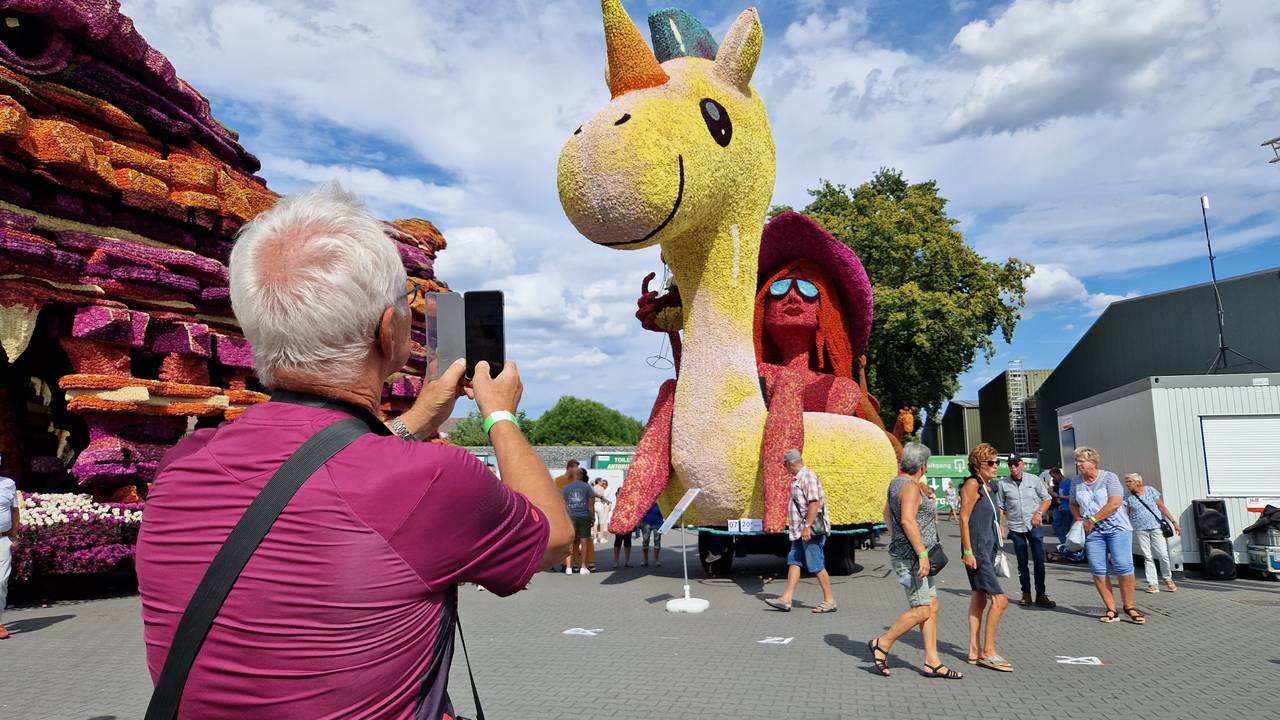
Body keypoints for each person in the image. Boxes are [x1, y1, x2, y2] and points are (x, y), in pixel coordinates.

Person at [135, 185, 573, 719]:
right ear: (389, 332)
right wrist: (499, 414)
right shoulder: (433, 478)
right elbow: (553, 537)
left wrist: (416, 420)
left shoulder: (184, 463)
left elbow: (328, 474)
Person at [869, 443, 962, 679]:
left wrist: (896, 536)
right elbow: (909, 521)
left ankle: (932, 661)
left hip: (916, 555)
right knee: (921, 610)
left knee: (932, 606)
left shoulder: (897, 483)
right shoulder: (909, 488)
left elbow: (887, 513)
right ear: (923, 466)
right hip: (913, 558)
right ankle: (882, 643)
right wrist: (920, 552)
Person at [1069, 447, 1143, 625]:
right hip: (1093, 533)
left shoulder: (1109, 478)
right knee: (1098, 569)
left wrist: (1093, 519)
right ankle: (1111, 609)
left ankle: (1129, 606)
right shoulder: (1076, 482)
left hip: (1117, 529)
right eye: (1077, 461)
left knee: (1123, 566)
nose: (1078, 465)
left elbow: (1115, 502)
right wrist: (1079, 518)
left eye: (1081, 461)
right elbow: (1072, 503)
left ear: (1093, 462)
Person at [764, 449, 837, 613]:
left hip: (808, 531)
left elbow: (814, 503)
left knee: (816, 564)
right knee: (794, 561)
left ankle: (829, 600)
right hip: (799, 530)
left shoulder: (808, 476)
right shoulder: (798, 478)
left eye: (785, 465)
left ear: (790, 463)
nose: (785, 469)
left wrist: (807, 527)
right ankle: (786, 598)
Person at [959, 443, 1011, 672]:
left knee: (979, 597)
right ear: (977, 465)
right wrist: (968, 551)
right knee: (1000, 601)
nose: (995, 466)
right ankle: (988, 651)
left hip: (988, 549)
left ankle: (973, 649)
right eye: (990, 462)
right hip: (978, 551)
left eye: (996, 462)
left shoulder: (991, 487)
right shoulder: (972, 484)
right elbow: (963, 518)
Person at [995, 454, 1056, 608]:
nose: (1013, 467)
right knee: (1022, 562)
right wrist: (1001, 525)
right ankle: (1026, 593)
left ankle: (1041, 594)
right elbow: (1000, 506)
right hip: (1015, 527)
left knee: (1038, 560)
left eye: (1016, 464)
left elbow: (1047, 498)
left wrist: (1039, 513)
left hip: (1034, 525)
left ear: (1022, 464)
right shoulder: (1003, 484)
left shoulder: (1033, 480)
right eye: (1010, 465)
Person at [1123, 473, 1180, 593]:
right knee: (1147, 556)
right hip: (1140, 529)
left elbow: (1162, 507)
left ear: (1138, 482)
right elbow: (1126, 514)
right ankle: (1152, 583)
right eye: (1126, 482)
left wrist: (1174, 522)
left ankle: (1167, 578)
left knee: (1162, 554)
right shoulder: (1127, 497)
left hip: (1156, 527)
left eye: (1129, 482)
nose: (1127, 484)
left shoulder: (1150, 490)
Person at [562, 469, 597, 575]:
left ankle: (568, 567)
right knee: (584, 542)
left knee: (570, 542)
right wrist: (592, 517)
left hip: (570, 517)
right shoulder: (587, 487)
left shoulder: (566, 488)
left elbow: (563, 504)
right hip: (583, 516)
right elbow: (591, 504)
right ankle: (583, 566)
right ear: (581, 476)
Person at [0, 454, 17, 640]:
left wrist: (14, 535)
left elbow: (15, 511)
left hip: (3, 539)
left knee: (1, 582)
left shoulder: (8, 484)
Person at [1048, 467, 1072, 552]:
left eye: (1054, 476)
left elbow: (1071, 497)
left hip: (1068, 509)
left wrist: (1059, 496)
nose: (1053, 479)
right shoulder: (1061, 483)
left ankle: (1068, 546)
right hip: (1062, 508)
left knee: (1065, 528)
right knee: (1056, 526)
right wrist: (1058, 499)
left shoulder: (1068, 482)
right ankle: (1065, 544)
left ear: (1058, 474)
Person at [640, 502, 664, 567]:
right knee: (645, 540)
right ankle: (645, 560)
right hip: (646, 523)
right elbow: (640, 511)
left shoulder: (660, 501)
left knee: (657, 541)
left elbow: (664, 512)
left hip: (658, 523)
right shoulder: (646, 500)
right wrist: (641, 522)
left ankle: (656, 560)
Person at [592, 479, 611, 543]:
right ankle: (601, 538)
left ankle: (594, 538)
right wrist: (607, 501)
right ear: (598, 481)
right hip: (600, 504)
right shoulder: (601, 488)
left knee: (595, 522)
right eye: (601, 481)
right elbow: (602, 497)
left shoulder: (593, 488)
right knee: (602, 522)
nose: (602, 482)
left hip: (594, 504)